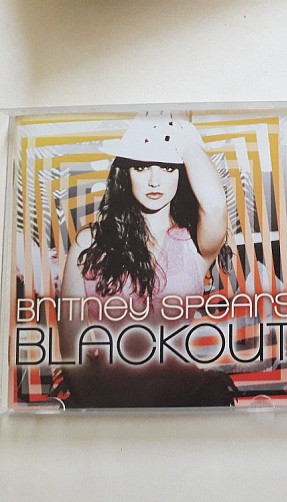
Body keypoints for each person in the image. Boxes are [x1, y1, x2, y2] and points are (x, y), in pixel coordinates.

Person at [57, 111, 237, 407]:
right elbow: (72, 349)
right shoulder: (90, 242)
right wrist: (104, 418)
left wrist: (182, 130)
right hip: (110, 410)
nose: (155, 181)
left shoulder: (194, 243)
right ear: (125, 173)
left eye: (167, 167)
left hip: (186, 404)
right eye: (141, 167)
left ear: (181, 172)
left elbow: (215, 205)